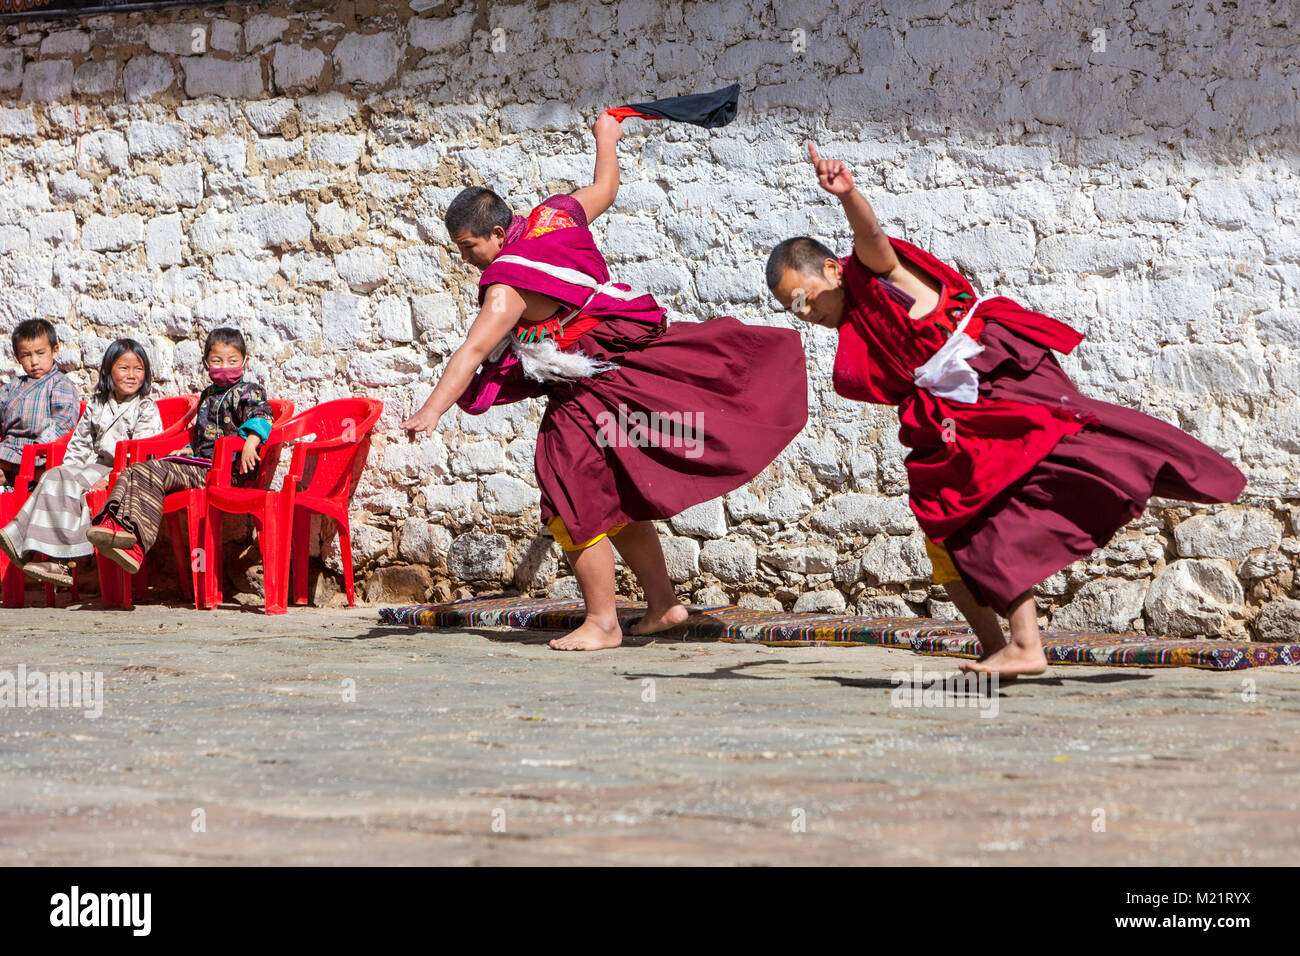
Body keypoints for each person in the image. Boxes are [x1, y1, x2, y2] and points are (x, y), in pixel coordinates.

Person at [765, 142, 1246, 677]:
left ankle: (1026, 642)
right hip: (949, 421)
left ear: (832, 270)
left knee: (999, 500)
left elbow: (872, 237)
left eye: (804, 298)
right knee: (942, 528)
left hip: (991, 387)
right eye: (793, 309)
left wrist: (848, 194)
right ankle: (998, 646)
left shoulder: (873, 275)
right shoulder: (855, 321)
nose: (804, 314)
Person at [402, 113, 808, 651]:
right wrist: (606, 138)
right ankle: (663, 605)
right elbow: (604, 189)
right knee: (610, 493)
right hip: (618, 374)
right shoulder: (553, 217)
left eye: (469, 248)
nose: (467, 261)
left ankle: (604, 622)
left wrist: (431, 410)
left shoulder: (507, 284)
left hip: (591, 390)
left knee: (566, 486)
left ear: (498, 233)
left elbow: (472, 351)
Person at [87, 327, 273, 576]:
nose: (224, 366)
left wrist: (251, 440)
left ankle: (136, 546)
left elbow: (261, 414)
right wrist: (187, 449)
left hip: (225, 471)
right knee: (136, 469)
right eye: (217, 361)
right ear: (206, 362)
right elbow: (202, 435)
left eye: (232, 361)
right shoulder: (207, 395)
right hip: (199, 465)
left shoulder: (250, 391)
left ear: (245, 362)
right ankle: (115, 526)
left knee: (152, 473)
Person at [0, 339, 163, 587]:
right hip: (94, 464)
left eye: (138, 369)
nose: (131, 375)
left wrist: (113, 477)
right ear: (108, 371)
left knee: (74, 485)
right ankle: (24, 543)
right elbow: (80, 442)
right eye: (124, 368)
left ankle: (47, 554)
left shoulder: (145, 407)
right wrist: (69, 468)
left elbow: (141, 453)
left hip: (125, 472)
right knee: (55, 476)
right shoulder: (97, 404)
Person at [0, 319, 79, 487]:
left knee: (38, 473)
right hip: (9, 448)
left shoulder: (60, 384)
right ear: (17, 357)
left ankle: (14, 477)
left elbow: (63, 422)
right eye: (26, 355)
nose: (34, 361)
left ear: (54, 350)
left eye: (40, 353)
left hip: (40, 454)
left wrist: (37, 448)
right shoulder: (13, 386)